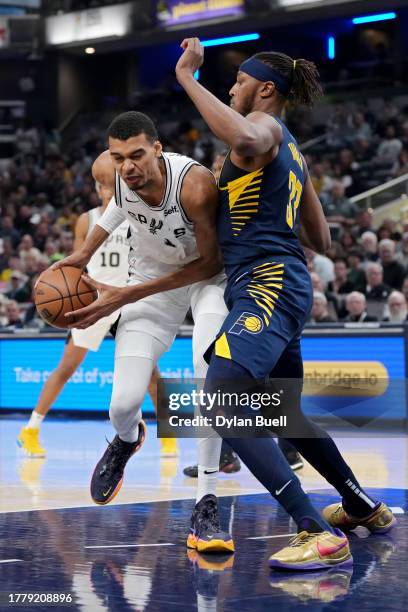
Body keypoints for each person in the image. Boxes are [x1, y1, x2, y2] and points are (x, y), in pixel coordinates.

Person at [176, 38, 395, 570]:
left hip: (267, 283)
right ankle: (362, 505)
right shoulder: (292, 149)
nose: (231, 90)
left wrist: (188, 78)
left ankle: (314, 530)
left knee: (223, 401)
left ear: (265, 89)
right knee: (287, 415)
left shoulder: (266, 130)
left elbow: (246, 131)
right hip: (288, 283)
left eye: (238, 84)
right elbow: (320, 238)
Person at [52, 112, 230, 532]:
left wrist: (128, 293)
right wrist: (82, 255)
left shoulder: (195, 186)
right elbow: (116, 206)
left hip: (207, 279)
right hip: (151, 276)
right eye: (118, 158)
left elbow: (209, 262)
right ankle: (128, 440)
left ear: (157, 149)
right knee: (124, 404)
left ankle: (207, 496)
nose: (127, 166)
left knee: (208, 366)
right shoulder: (114, 173)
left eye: (136, 155)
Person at [17, 180, 175, 457]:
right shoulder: (86, 219)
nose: (109, 192)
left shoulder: (136, 216)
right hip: (91, 301)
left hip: (124, 298)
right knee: (66, 368)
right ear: (97, 189)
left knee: (150, 373)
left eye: (114, 188)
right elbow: (75, 266)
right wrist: (68, 296)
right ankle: (30, 429)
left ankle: (169, 435)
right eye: (104, 187)